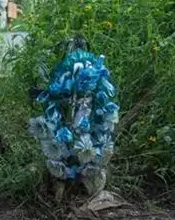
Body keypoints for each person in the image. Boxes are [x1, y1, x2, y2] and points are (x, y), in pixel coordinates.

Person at [28, 36, 120, 202]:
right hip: (72, 115)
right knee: (69, 138)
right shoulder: (72, 69)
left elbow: (101, 92)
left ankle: (82, 175)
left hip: (86, 114)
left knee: (83, 136)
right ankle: (65, 178)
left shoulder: (87, 68)